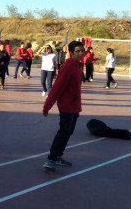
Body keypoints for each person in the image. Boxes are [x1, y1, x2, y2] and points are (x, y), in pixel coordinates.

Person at [42, 40, 84, 172]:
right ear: (70, 53)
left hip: (75, 105)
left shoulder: (78, 66)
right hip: (66, 106)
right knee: (63, 132)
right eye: (78, 51)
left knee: (69, 132)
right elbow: (57, 88)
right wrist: (47, 106)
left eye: (82, 51)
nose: (81, 53)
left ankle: (58, 156)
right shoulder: (67, 67)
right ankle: (51, 159)